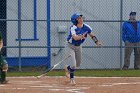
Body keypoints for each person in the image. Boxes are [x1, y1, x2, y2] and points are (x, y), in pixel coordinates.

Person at [64, 13, 102, 85]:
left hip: (78, 46)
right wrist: (81, 36)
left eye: (81, 17)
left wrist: (97, 42)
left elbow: (92, 35)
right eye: (78, 18)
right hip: (70, 46)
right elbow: (75, 37)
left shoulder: (86, 27)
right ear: (75, 20)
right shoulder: (73, 27)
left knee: (77, 64)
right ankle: (72, 79)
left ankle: (68, 68)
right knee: (74, 65)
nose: (81, 19)